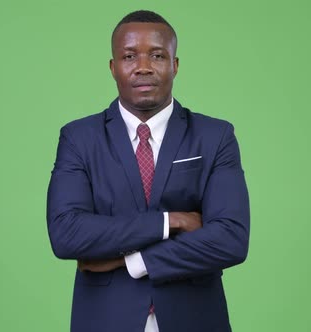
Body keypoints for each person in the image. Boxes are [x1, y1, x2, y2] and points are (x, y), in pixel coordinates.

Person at [46, 10, 250, 332]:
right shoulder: (79, 138)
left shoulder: (215, 136)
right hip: (105, 320)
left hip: (195, 319)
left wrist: (134, 262)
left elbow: (231, 239)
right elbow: (67, 234)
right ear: (113, 68)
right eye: (129, 56)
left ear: (175, 65)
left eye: (157, 55)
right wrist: (171, 221)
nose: (143, 66)